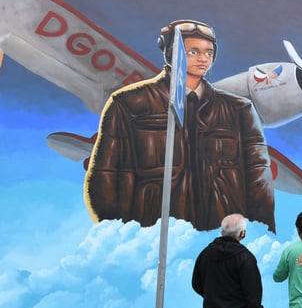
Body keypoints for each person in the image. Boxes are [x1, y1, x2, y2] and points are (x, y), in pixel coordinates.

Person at [85, 19, 276, 232]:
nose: (203, 59)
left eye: (209, 53)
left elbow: (259, 178)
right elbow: (105, 176)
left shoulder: (239, 110)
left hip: (219, 238)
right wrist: (119, 233)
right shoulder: (128, 104)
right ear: (170, 53)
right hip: (152, 236)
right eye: (193, 52)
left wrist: (259, 229)